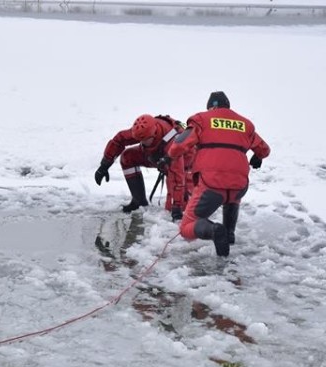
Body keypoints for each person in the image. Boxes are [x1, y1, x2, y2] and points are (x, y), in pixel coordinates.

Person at [166, 91, 270, 256]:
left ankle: (214, 230)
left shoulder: (202, 119)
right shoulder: (245, 124)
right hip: (239, 183)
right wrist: (258, 156)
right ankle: (229, 235)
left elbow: (179, 145)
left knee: (186, 228)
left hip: (211, 182)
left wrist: (169, 156)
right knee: (232, 199)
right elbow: (264, 149)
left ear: (210, 107)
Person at [94, 114, 194, 220]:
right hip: (159, 157)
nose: (142, 142)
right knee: (127, 157)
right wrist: (104, 166)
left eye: (145, 140)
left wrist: (177, 206)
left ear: (154, 134)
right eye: (140, 140)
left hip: (184, 164)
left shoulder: (173, 143)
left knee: (176, 209)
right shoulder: (143, 131)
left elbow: (177, 177)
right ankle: (139, 201)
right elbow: (119, 140)